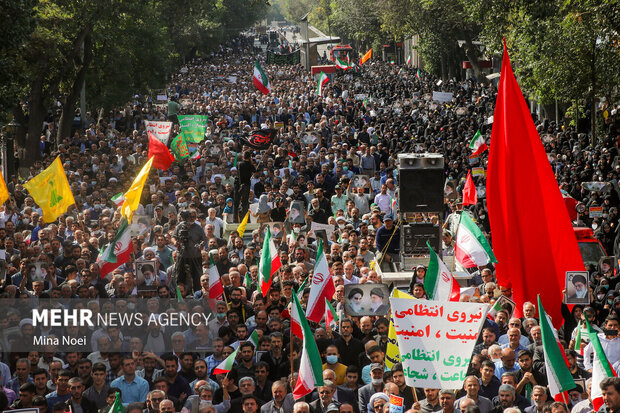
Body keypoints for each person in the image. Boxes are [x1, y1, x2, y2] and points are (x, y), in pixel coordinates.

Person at [173, 209, 207, 293]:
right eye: (190, 217)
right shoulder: (180, 226)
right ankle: (180, 294)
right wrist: (175, 242)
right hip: (182, 255)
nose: (191, 219)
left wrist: (201, 245)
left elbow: (204, 239)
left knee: (197, 277)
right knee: (180, 276)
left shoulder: (198, 228)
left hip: (195, 256)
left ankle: (197, 293)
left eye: (193, 217)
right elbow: (173, 237)